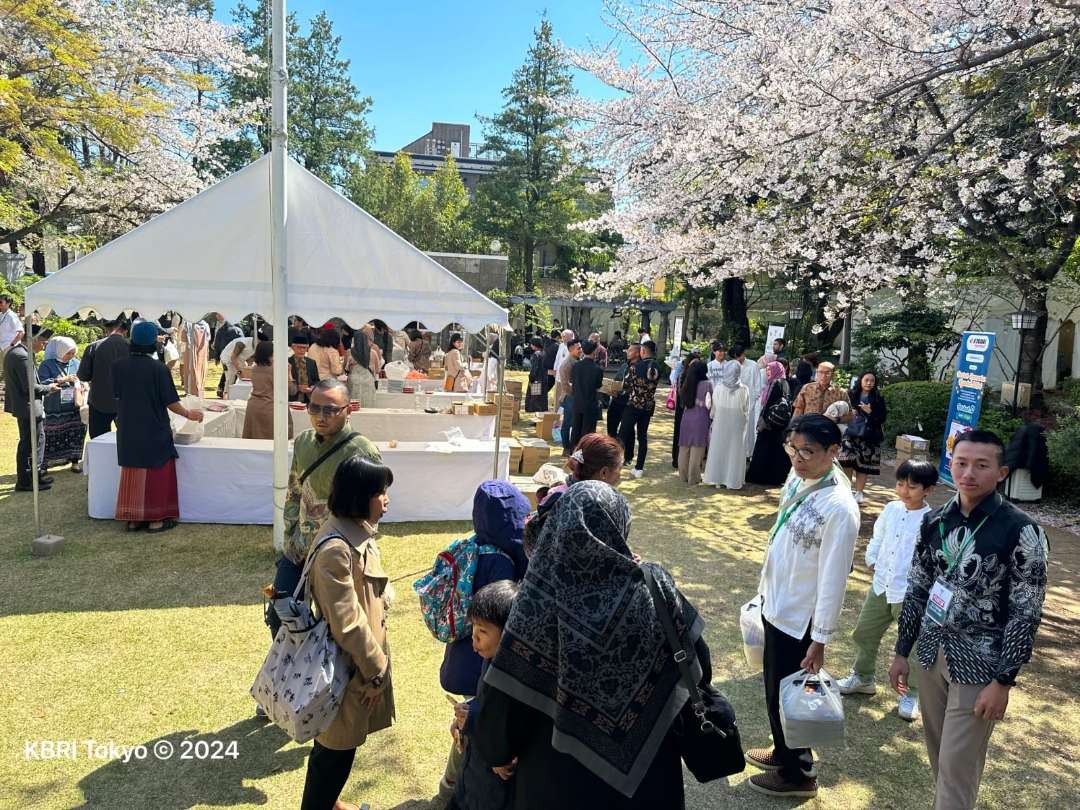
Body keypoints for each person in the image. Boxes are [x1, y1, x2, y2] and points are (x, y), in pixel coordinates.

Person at [472, 481, 714, 810]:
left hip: (554, 781)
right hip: (648, 781)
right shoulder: (654, 587)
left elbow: (505, 701)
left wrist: (496, 751)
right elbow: (699, 668)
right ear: (619, 527)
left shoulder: (536, 604)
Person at [889, 432, 1048, 810]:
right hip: (930, 654)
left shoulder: (1020, 531)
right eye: (961, 463)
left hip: (980, 664)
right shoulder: (935, 521)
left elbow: (1026, 612)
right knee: (941, 759)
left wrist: (1004, 681)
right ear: (950, 464)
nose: (969, 473)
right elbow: (917, 589)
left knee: (957, 767)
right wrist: (901, 651)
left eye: (981, 465)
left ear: (1001, 471)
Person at [746, 415, 859, 798]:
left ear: (833, 451)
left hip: (801, 618)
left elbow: (833, 579)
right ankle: (782, 752)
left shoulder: (840, 507)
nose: (797, 458)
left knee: (793, 695)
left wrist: (821, 638)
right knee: (776, 691)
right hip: (777, 602)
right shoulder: (798, 477)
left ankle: (799, 775)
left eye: (807, 452)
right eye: (793, 449)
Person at [298, 455, 396, 810]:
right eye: (379, 492)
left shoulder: (357, 535)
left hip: (355, 667)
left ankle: (333, 803)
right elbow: (349, 625)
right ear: (359, 496)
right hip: (346, 672)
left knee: (337, 748)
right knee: (334, 753)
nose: (386, 500)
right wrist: (376, 672)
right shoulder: (337, 550)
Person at [435, 482, 532, 808]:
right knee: (473, 731)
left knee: (467, 727)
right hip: (485, 664)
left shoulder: (471, 548)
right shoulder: (504, 562)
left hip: (461, 658)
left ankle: (450, 786)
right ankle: (452, 787)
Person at [269, 379, 383, 645]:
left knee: (337, 625)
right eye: (314, 408)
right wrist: (291, 537)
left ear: (348, 410)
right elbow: (295, 490)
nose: (321, 416)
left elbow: (372, 512)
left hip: (338, 554)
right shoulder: (304, 442)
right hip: (299, 548)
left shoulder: (363, 451)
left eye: (331, 410)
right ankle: (295, 673)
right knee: (281, 614)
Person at [838, 459, 938, 720]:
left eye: (912, 487)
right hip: (881, 586)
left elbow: (931, 560)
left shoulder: (931, 521)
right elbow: (878, 536)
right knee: (865, 632)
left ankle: (912, 692)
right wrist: (872, 558)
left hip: (909, 594)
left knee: (911, 645)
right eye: (900, 484)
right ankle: (863, 676)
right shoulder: (891, 509)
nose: (904, 490)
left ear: (928, 490)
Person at [111, 320, 203, 533]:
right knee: (157, 472)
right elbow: (170, 402)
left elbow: (118, 396)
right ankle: (156, 520)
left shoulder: (118, 366)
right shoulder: (159, 369)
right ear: (154, 342)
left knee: (133, 470)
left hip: (128, 426)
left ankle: (133, 519)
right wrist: (190, 414)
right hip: (153, 426)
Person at [447, 581, 520, 810]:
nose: (474, 640)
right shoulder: (489, 661)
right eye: (474, 630)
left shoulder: (518, 677)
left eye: (483, 632)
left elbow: (509, 727)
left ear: (508, 632)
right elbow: (484, 703)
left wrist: (500, 756)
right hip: (473, 775)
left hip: (495, 790)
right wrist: (466, 713)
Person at [523, 432, 625, 556]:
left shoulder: (559, 493)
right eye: (619, 468)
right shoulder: (588, 509)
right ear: (604, 473)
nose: (620, 475)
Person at [4, 325, 58, 492]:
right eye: (43, 342)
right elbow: (29, 387)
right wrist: (50, 388)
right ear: (33, 340)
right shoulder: (22, 356)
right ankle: (26, 481)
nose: (44, 346)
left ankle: (34, 477)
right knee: (30, 444)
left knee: (33, 442)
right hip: (28, 408)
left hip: (26, 407)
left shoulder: (19, 353)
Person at [38, 336, 87, 473]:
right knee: (51, 434)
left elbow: (84, 377)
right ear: (60, 351)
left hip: (73, 407)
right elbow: (41, 383)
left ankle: (75, 461)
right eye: (68, 353)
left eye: (73, 353)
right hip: (54, 407)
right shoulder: (47, 364)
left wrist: (82, 383)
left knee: (76, 432)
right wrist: (62, 379)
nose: (71, 356)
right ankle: (45, 463)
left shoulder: (76, 363)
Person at [838, 371, 888, 503]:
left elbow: (882, 418)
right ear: (860, 380)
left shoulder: (878, 397)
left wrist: (870, 412)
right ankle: (846, 490)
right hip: (850, 432)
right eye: (866, 380)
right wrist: (849, 413)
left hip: (869, 435)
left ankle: (859, 492)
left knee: (863, 466)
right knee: (846, 462)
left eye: (872, 381)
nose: (869, 383)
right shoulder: (851, 394)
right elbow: (841, 410)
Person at [78, 318, 130, 438]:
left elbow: (83, 375)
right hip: (126, 402)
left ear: (106, 329)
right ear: (125, 331)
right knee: (129, 440)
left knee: (98, 441)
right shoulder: (132, 347)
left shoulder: (93, 347)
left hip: (99, 401)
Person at [703, 359, 750, 489]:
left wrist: (715, 416)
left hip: (721, 421)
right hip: (737, 423)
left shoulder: (718, 388)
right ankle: (731, 480)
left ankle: (717, 478)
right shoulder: (744, 389)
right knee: (734, 451)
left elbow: (714, 408)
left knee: (719, 448)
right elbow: (746, 409)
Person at [746, 361, 793, 486]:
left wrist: (762, 420)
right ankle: (775, 477)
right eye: (766, 370)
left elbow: (769, 404)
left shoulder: (775, 383)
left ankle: (760, 476)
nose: (767, 372)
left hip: (770, 424)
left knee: (765, 450)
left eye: (770, 370)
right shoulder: (785, 382)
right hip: (780, 424)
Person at [618, 341, 660, 479]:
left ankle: (615, 463)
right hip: (648, 406)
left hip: (634, 405)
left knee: (622, 434)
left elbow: (626, 386)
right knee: (642, 436)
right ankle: (639, 467)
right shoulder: (657, 366)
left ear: (642, 351)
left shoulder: (636, 367)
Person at [242, 340, 293, 440]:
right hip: (270, 407)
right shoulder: (275, 370)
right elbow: (287, 388)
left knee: (254, 440)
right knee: (272, 442)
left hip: (254, 406)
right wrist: (289, 373)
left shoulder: (255, 368)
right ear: (271, 354)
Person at [676, 358, 711, 485]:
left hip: (686, 417)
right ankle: (694, 477)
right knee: (697, 449)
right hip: (701, 418)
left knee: (684, 448)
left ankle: (682, 475)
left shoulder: (687, 383)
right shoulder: (707, 384)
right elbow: (710, 404)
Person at [569, 340, 604, 452]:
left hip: (577, 401)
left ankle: (573, 452)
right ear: (594, 352)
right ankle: (585, 453)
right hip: (590, 403)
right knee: (587, 431)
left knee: (576, 428)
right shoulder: (597, 369)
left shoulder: (576, 366)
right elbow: (598, 386)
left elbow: (572, 381)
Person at [734, 345, 763, 459]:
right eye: (736, 358)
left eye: (740, 357)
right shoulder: (733, 365)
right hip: (735, 402)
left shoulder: (753, 365)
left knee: (748, 429)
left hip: (750, 402)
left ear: (743, 354)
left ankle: (746, 453)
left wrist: (753, 400)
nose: (738, 360)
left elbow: (757, 385)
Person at [606, 343, 639, 439]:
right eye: (628, 350)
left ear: (637, 353)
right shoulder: (624, 366)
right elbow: (616, 379)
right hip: (617, 399)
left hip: (629, 402)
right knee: (611, 423)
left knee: (627, 430)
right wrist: (611, 388)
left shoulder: (639, 367)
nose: (627, 352)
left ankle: (628, 452)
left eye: (630, 350)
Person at [555, 339, 582, 454]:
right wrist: (576, 394)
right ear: (571, 350)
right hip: (570, 397)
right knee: (567, 423)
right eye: (578, 348)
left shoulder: (578, 361)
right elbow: (565, 386)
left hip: (577, 397)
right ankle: (566, 447)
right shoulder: (566, 364)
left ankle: (573, 446)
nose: (581, 350)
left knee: (575, 423)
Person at [347, 325, 380, 408]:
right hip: (368, 380)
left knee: (354, 406)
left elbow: (345, 368)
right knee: (368, 405)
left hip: (354, 381)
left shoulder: (349, 352)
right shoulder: (373, 353)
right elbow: (378, 370)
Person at [211, 315, 243, 397]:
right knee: (232, 373)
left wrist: (217, 357)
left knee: (226, 372)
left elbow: (217, 345)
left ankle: (222, 389)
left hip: (224, 356)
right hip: (235, 355)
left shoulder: (220, 330)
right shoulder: (238, 330)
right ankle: (225, 390)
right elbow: (242, 342)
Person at [0, 292, 25, 391]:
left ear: (8, 303)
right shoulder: (1, 314)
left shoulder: (12, 316)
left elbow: (21, 332)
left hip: (8, 347)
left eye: (1, 302)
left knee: (8, 370)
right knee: (3, 369)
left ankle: (10, 390)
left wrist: (11, 345)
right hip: (2, 346)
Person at [179, 319, 210, 398]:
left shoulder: (188, 325)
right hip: (201, 351)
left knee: (192, 369)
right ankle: (198, 390)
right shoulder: (205, 325)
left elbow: (183, 340)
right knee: (198, 369)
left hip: (190, 350)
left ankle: (192, 391)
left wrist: (182, 353)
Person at [288, 332, 319, 404]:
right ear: (293, 347)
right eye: (299, 347)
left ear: (307, 348)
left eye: (304, 348)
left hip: (309, 399)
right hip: (292, 399)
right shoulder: (287, 362)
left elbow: (317, 380)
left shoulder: (311, 362)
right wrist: (298, 388)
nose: (302, 350)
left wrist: (312, 387)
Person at [524, 338, 548, 413]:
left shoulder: (536, 354)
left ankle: (537, 417)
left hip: (536, 379)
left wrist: (531, 377)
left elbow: (535, 368)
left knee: (535, 400)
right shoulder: (544, 353)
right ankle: (542, 414)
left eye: (531, 344)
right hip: (544, 378)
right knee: (542, 399)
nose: (530, 345)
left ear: (534, 345)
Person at [541, 329, 560, 400]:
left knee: (544, 386)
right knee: (548, 386)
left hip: (544, 367)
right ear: (558, 337)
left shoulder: (546, 342)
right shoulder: (557, 346)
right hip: (552, 369)